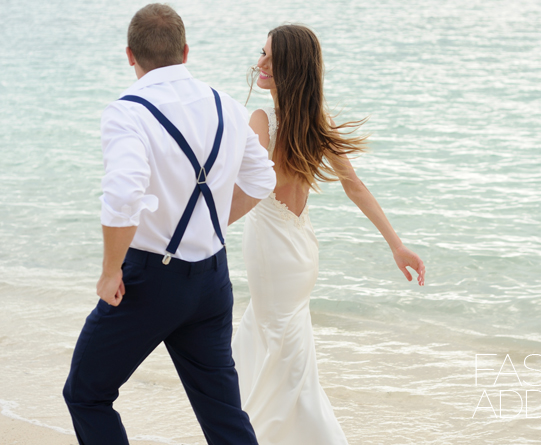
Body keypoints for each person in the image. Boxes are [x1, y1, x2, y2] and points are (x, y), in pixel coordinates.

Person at [62, 4, 275, 444]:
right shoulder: (227, 105)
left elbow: (123, 196)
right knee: (223, 414)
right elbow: (262, 178)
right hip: (213, 279)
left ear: (129, 54)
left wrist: (109, 271)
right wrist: (211, 225)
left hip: (148, 284)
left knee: (86, 393)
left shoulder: (127, 112)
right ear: (185, 51)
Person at [230, 24, 426, 445]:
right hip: (299, 250)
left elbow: (249, 187)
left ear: (291, 68)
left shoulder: (261, 120)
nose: (259, 64)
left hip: (274, 254)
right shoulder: (316, 121)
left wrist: (197, 227)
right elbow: (354, 185)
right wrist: (397, 245)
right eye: (260, 53)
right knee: (279, 350)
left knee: (276, 350)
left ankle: (264, 434)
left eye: (270, 58)